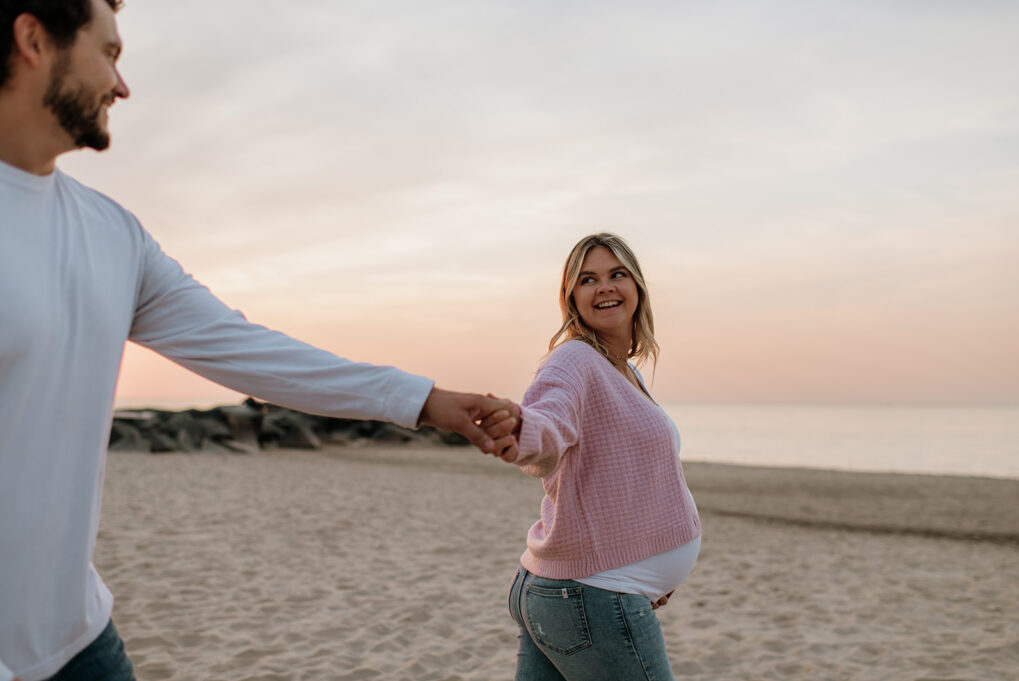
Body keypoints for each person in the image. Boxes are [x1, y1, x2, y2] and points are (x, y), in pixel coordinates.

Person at [0, 2, 519, 680]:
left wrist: (423, 400)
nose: (122, 86)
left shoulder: (113, 235)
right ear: (34, 39)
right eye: (111, 53)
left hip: (79, 640)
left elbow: (249, 350)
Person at [483, 233, 702, 680]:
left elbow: (627, 479)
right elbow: (547, 421)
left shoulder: (624, 370)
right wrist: (521, 431)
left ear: (637, 286)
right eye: (588, 279)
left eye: (616, 274)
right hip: (590, 594)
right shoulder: (574, 361)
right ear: (571, 299)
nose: (604, 287)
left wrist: (647, 572)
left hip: (579, 591)